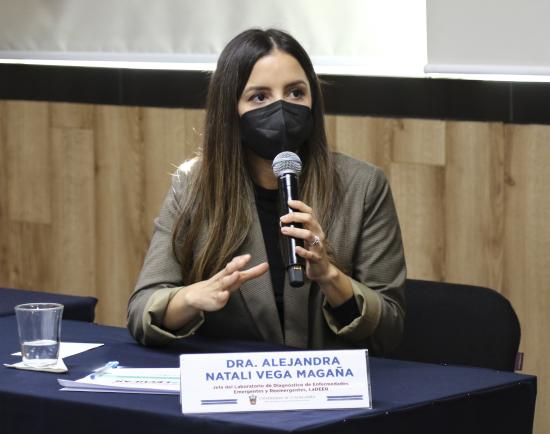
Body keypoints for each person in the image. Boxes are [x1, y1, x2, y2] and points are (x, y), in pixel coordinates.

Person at [127, 28, 406, 355]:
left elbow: (390, 330)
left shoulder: (363, 186)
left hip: (329, 380)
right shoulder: (193, 186)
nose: (282, 110)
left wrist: (330, 277)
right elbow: (141, 312)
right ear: (230, 109)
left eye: (295, 93)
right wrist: (191, 297)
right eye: (260, 97)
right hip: (235, 377)